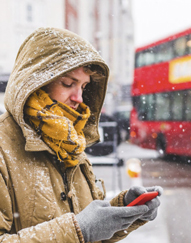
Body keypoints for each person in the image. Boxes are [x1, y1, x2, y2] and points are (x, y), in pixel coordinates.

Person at [0, 27, 163, 242]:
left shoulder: (69, 143)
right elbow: (81, 229)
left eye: (84, 86)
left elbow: (88, 227)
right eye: (68, 83)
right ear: (35, 82)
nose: (79, 97)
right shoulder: (3, 149)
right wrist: (79, 231)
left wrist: (122, 210)